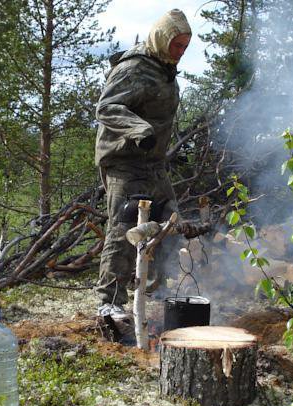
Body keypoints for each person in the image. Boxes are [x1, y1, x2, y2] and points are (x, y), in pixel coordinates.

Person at [93, 9, 191, 333]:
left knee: (171, 219)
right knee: (124, 226)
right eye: (177, 45)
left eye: (184, 46)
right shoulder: (134, 67)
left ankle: (158, 291)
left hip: (152, 162)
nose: (180, 52)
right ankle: (110, 303)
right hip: (123, 159)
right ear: (163, 39)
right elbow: (106, 107)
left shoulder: (166, 71)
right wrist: (139, 129)